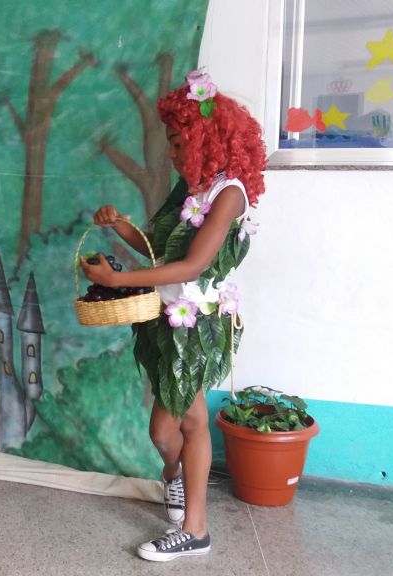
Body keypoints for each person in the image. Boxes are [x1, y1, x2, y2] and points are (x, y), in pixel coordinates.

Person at [80, 70, 267, 562]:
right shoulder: (190, 188)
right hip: (163, 318)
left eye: (180, 142)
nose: (173, 153)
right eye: (171, 143)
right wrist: (121, 225)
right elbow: (157, 249)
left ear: (208, 137)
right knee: (170, 431)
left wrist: (119, 280)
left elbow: (192, 266)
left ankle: (195, 527)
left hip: (197, 326)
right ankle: (178, 483)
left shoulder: (228, 194)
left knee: (182, 424)